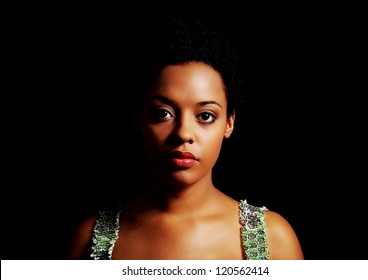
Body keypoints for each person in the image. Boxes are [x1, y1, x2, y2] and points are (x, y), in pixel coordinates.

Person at [66, 16, 304, 260]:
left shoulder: (274, 239)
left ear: (229, 122)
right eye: (163, 113)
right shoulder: (87, 239)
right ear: (137, 117)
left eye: (206, 116)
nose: (183, 133)